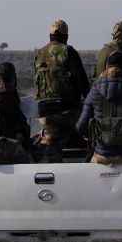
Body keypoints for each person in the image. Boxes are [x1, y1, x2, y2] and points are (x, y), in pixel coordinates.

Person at [33, 19, 91, 162]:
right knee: (92, 128)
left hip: (44, 112)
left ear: (50, 36)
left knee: (52, 147)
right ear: (65, 36)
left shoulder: (39, 54)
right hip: (68, 111)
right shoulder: (68, 51)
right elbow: (82, 82)